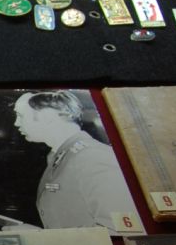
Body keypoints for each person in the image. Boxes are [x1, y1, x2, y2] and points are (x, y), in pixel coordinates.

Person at [8, 91, 134, 232]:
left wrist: (41, 236)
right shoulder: (62, 156)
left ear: (47, 116)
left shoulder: (91, 156)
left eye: (21, 116)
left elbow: (120, 230)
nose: (16, 123)